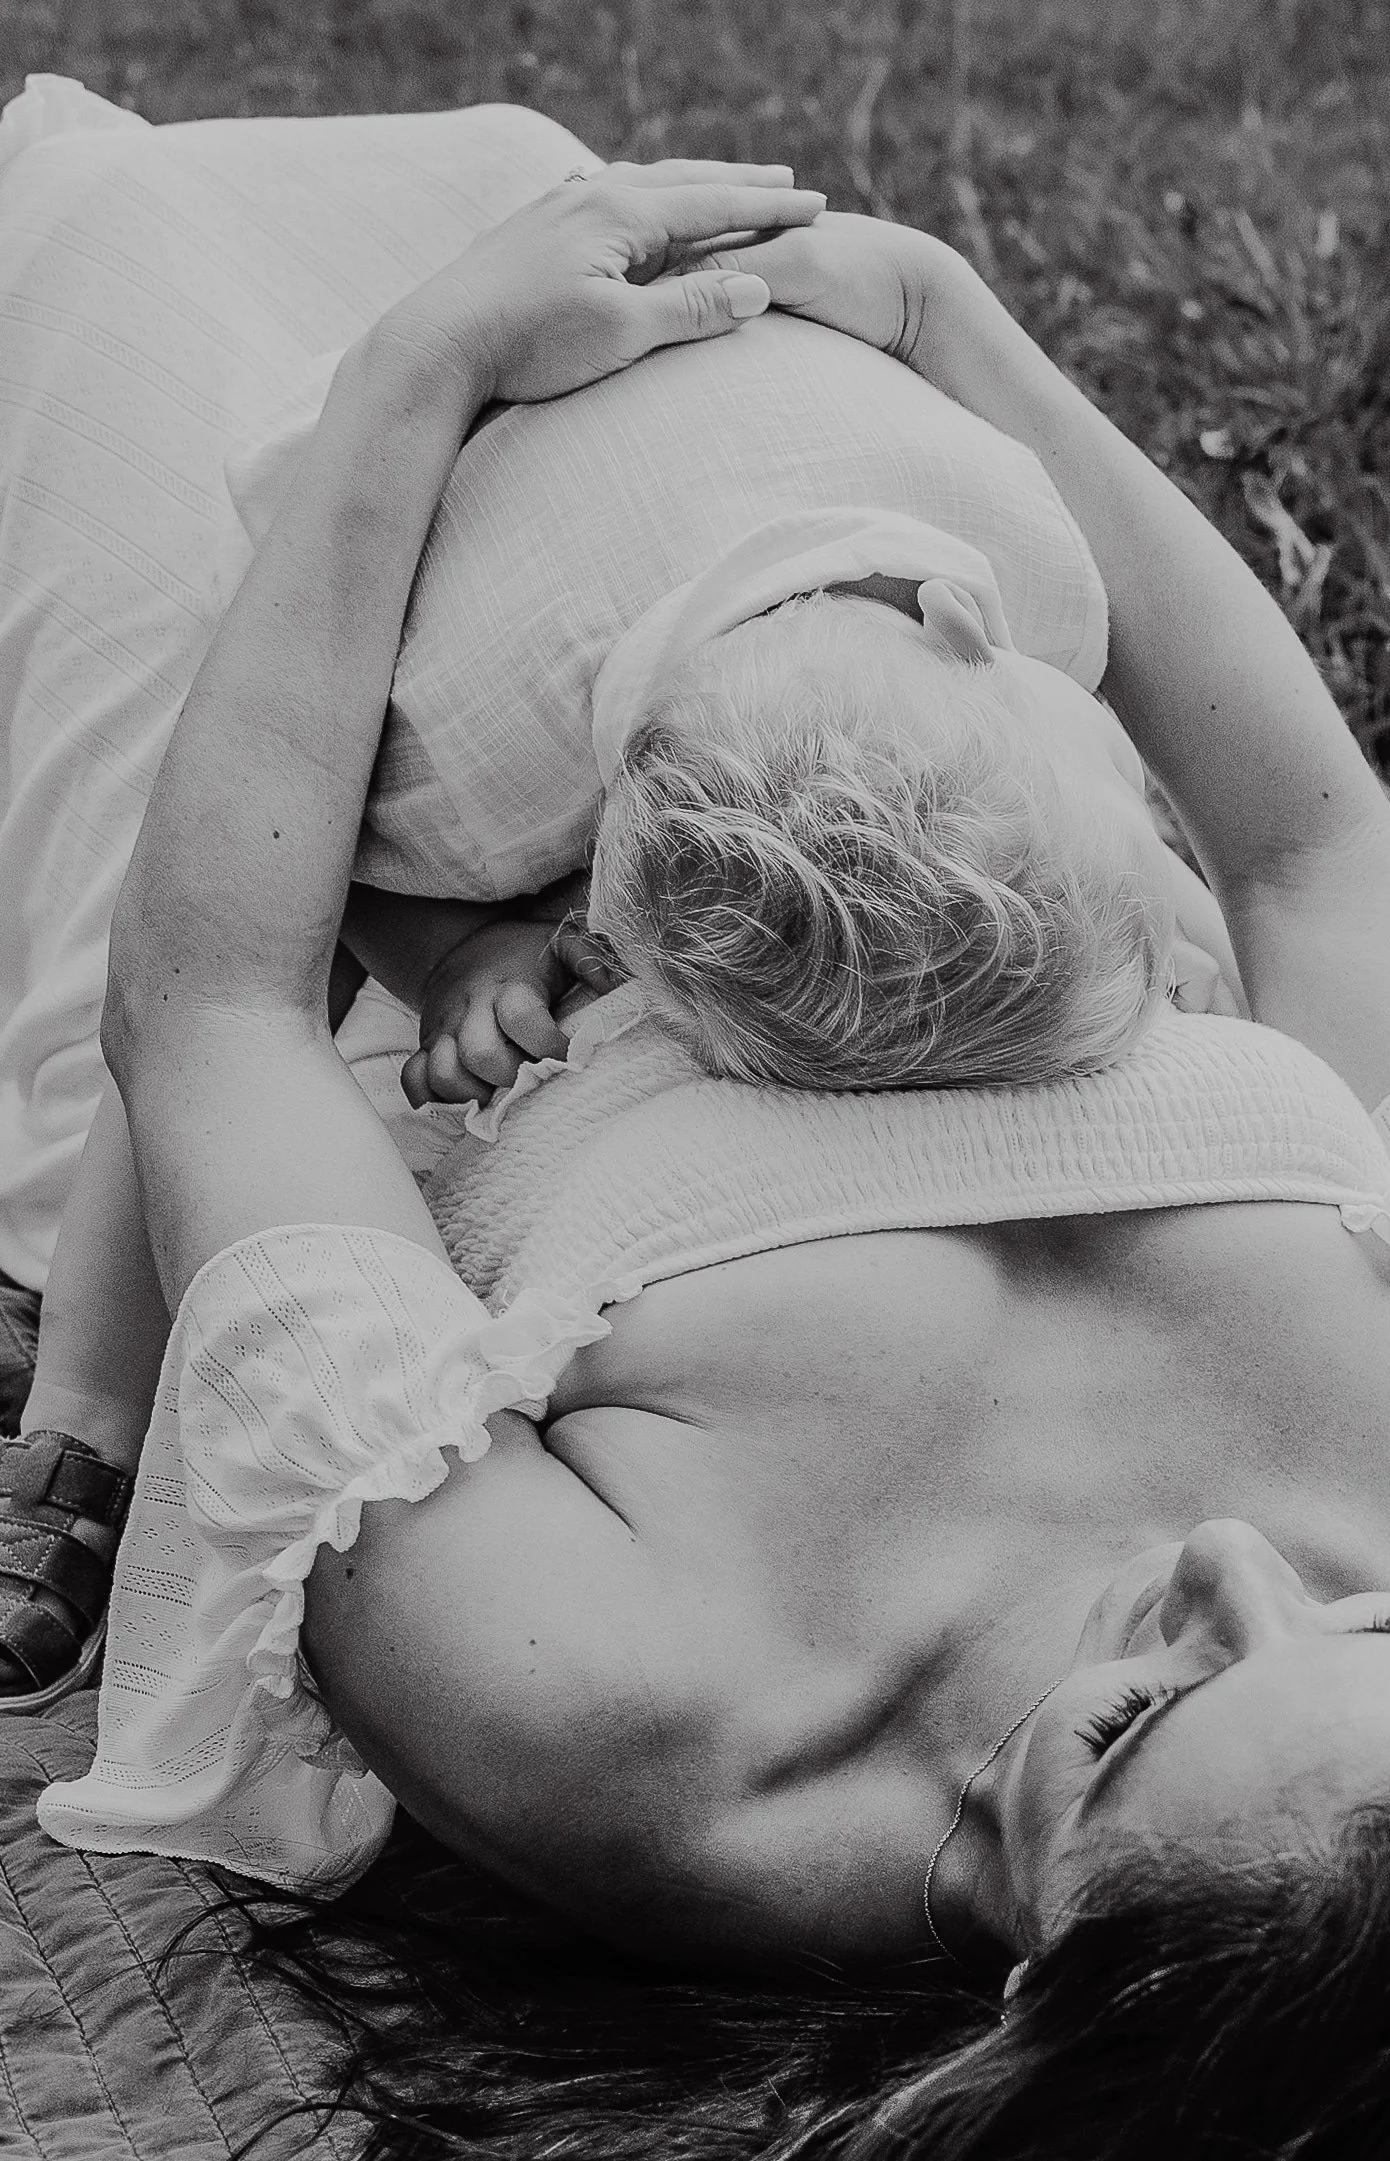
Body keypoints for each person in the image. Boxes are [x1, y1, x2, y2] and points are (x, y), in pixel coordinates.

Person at [13, 145, 1390, 2151]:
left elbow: (216, 1013)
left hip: (376, 885)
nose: (1228, 1558)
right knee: (534, 197)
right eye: (1387, 1629)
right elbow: (1309, 853)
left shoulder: (628, 1718)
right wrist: (943, 319)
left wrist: (414, 384)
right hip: (927, 747)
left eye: (1133, 1716)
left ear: (1036, 1972)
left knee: (103, 257)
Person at [0, 83, 1234, 1708]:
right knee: (199, 1009)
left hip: (676, 325)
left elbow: (1126, 826)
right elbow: (287, 880)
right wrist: (460, 941)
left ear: (970, 629)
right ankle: (81, 1428)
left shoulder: (1035, 564)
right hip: (412, 449)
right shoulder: (462, 740)